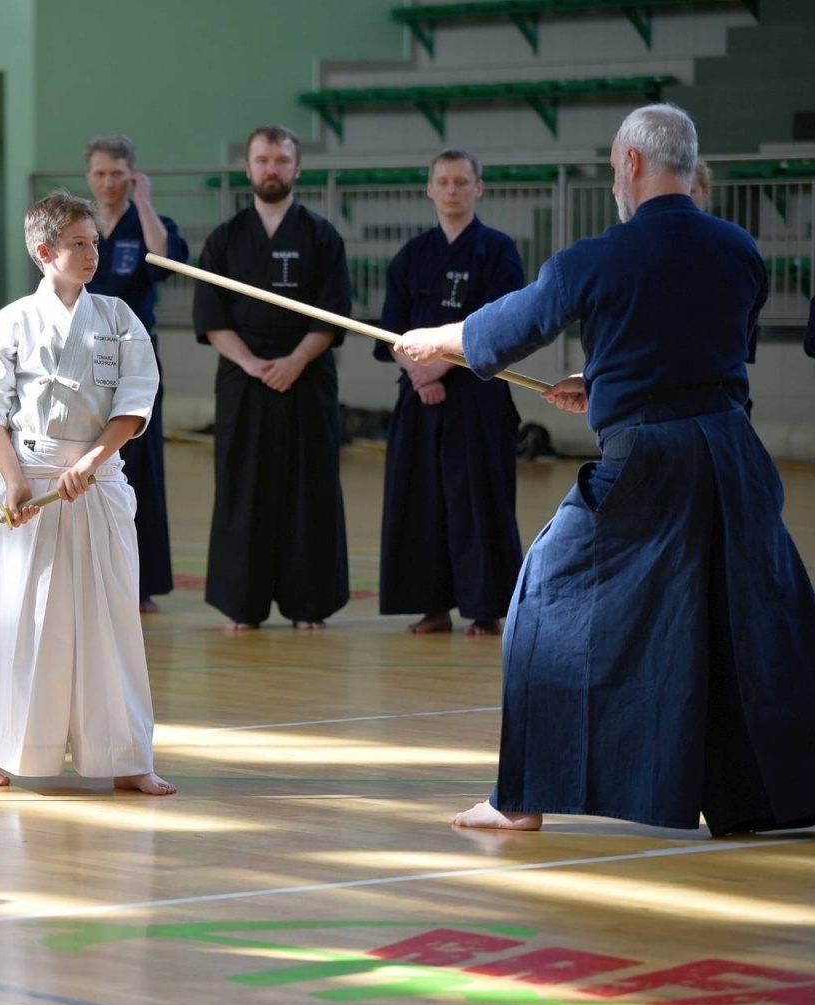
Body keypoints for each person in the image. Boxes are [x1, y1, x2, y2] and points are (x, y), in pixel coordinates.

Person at [396, 103, 815, 836]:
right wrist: (608, 380)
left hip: (651, 462)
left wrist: (434, 337)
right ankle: (774, 801)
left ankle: (520, 798)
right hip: (733, 459)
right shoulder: (740, 249)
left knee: (544, 605)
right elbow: (707, 352)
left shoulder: (597, 256)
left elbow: (509, 328)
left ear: (629, 165)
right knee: (748, 618)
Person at [0, 190, 175, 796]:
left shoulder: (120, 318)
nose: (91, 254)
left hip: (98, 485)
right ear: (43, 250)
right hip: (30, 491)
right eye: (78, 243)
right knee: (15, 620)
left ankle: (127, 754)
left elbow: (135, 404)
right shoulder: (7, 324)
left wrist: (94, 460)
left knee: (111, 621)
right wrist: (18, 481)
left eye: (95, 242)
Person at [193, 125, 353, 631]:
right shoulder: (225, 239)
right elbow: (212, 317)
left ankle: (309, 605)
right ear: (248, 168)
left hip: (306, 378)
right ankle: (243, 604)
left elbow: (332, 315)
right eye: (262, 160)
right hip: (244, 380)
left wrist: (293, 362)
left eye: (282, 160)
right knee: (245, 488)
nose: (272, 169)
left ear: (296, 168)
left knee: (309, 488)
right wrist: (251, 364)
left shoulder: (321, 236)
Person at [373, 149, 525, 637]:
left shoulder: (499, 252)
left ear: (478, 188)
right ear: (430, 189)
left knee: (478, 498)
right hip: (418, 396)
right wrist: (421, 374)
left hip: (478, 394)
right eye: (444, 181)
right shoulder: (412, 255)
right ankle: (430, 606)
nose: (453, 189)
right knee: (420, 498)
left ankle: (485, 608)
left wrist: (442, 366)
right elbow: (391, 329)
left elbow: (504, 324)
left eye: (462, 181)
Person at [82, 135, 190, 613]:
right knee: (82, 461)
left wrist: (144, 203)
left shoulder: (150, 223)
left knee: (139, 469)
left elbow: (165, 263)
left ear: (132, 176)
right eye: (100, 173)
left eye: (117, 174)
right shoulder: (77, 226)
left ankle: (139, 583)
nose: (108, 183)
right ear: (89, 177)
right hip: (83, 360)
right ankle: (87, 577)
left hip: (135, 360)